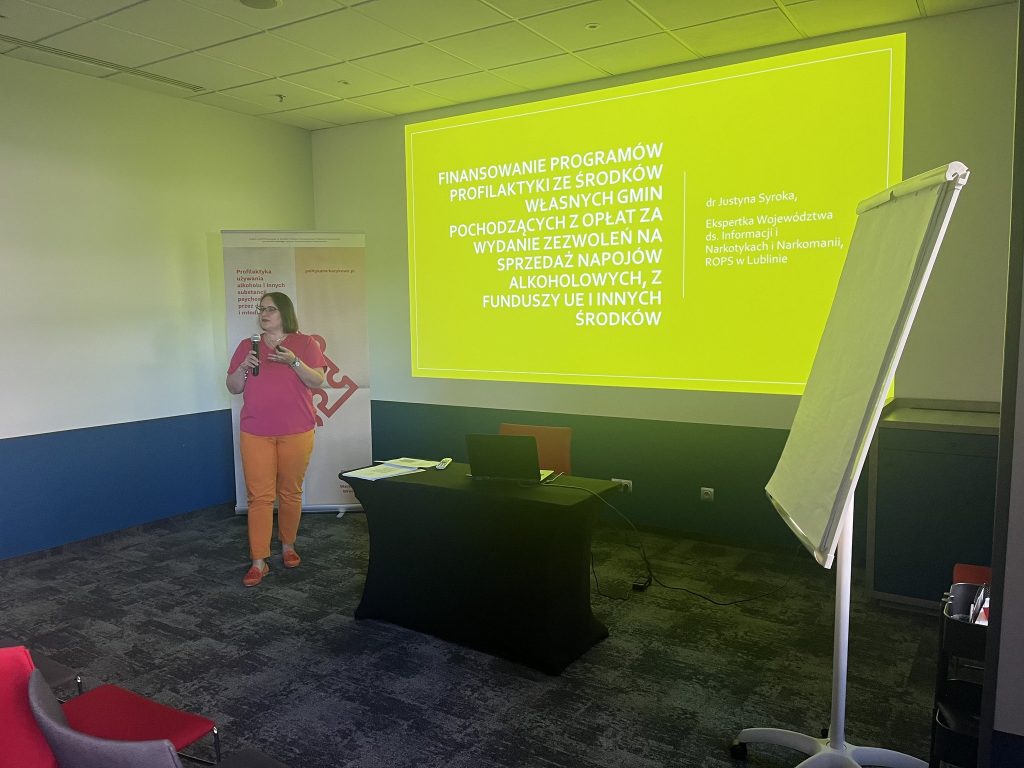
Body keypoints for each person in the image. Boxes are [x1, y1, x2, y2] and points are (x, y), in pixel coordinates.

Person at [226, 292, 326, 587]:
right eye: (261, 308)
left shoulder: (305, 343)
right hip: (256, 431)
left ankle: (288, 545)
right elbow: (233, 387)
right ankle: (259, 560)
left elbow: (318, 380)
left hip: (297, 430)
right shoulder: (247, 345)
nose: (264, 313)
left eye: (270, 309)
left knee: (290, 492)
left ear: (285, 313)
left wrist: (294, 361)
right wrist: (243, 367)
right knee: (259, 496)